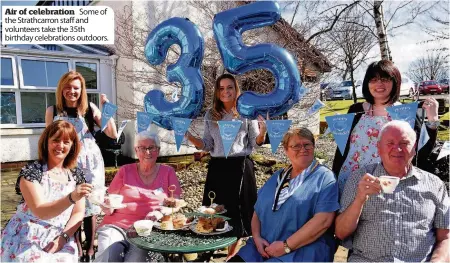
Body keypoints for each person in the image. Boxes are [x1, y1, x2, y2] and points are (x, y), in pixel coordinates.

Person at [335, 120, 449, 262]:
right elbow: (340, 232)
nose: (397, 149)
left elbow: (446, 237)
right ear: (378, 148)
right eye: (390, 143)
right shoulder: (360, 178)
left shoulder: (434, 184)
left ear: (414, 148)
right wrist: (359, 200)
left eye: (404, 143)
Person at [185, 73, 267, 259]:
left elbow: (255, 142)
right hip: (218, 167)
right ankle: (209, 250)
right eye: (221, 88)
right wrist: (188, 136)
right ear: (217, 91)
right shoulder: (210, 114)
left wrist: (263, 131)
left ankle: (231, 256)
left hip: (240, 166)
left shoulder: (246, 112)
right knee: (214, 211)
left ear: (236, 89)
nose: (225, 92)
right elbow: (207, 144)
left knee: (237, 213)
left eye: (229, 87)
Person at [232, 127, 339, 262]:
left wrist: (286, 246)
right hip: (262, 247)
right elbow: (257, 211)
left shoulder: (325, 177)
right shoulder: (278, 176)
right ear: (286, 150)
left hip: (302, 250)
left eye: (307, 144)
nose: (303, 149)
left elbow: (323, 221)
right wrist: (257, 237)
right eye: (296, 146)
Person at [332, 60, 438, 194]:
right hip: (351, 182)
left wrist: (433, 120)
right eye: (373, 79)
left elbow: (421, 151)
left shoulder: (405, 113)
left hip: (388, 185)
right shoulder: (356, 110)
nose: (379, 84)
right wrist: (333, 178)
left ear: (395, 82)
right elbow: (342, 150)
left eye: (385, 79)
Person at [45, 70, 118, 261]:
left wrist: (107, 110)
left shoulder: (89, 109)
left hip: (90, 162)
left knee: (91, 204)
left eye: (76, 88)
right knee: (70, 202)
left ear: (81, 90)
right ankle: (75, 243)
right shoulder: (52, 111)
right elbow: (48, 141)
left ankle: (91, 248)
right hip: (66, 162)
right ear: (61, 89)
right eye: (67, 87)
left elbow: (112, 133)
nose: (71, 91)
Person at [1, 120, 93, 262]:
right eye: (55, 140)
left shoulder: (76, 175)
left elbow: (78, 213)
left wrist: (63, 239)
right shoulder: (32, 171)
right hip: (27, 233)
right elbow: (41, 212)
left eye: (66, 142)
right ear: (46, 142)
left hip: (60, 234)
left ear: (72, 146)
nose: (60, 146)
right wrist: (71, 197)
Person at [94, 131, 182, 262]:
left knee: (135, 259)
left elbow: (178, 202)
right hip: (116, 226)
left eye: (151, 147)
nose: (147, 152)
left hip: (148, 229)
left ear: (158, 150)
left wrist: (161, 213)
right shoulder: (125, 170)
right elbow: (111, 201)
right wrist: (106, 205)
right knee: (109, 254)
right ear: (136, 151)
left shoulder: (168, 172)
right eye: (142, 148)